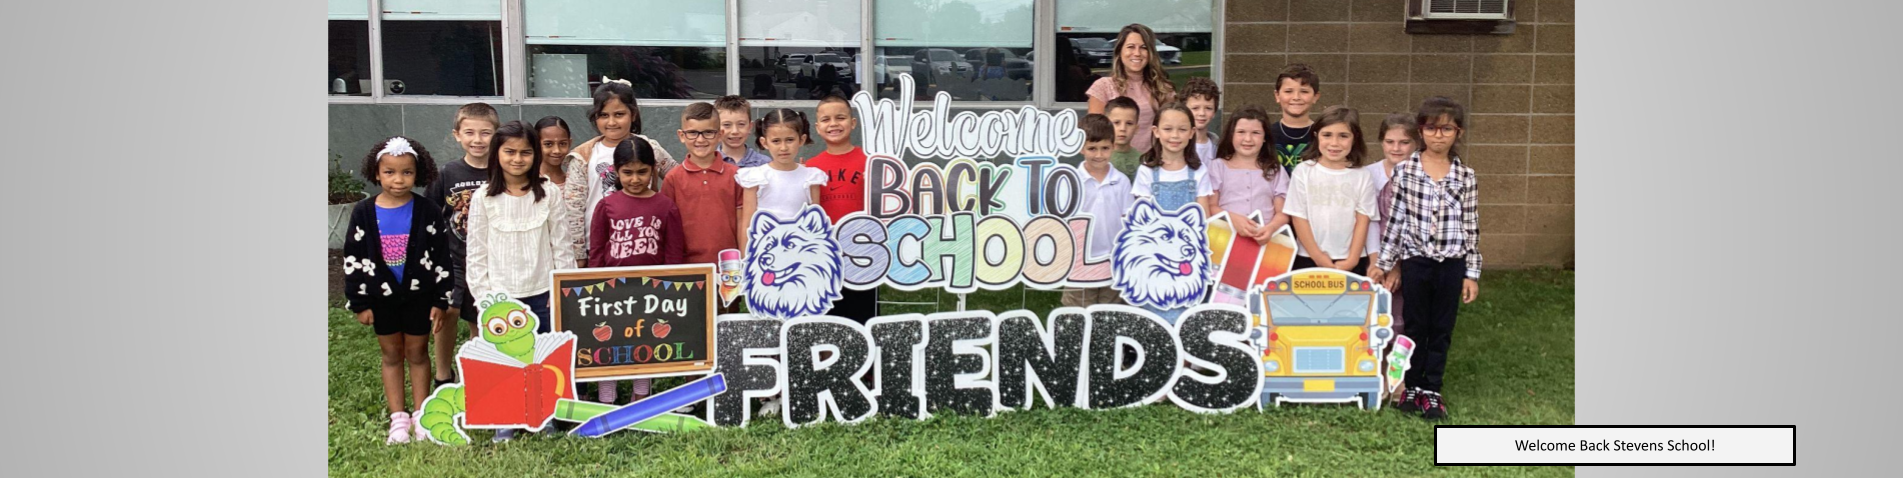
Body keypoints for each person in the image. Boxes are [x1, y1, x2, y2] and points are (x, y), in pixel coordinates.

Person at [1369, 97, 1482, 421]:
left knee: (1441, 327)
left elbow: (1471, 224)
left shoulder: (1465, 176)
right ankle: (1412, 387)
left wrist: (1471, 273)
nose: (1438, 135)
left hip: (1451, 262)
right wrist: (1386, 263)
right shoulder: (1406, 171)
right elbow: (1396, 221)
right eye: (1432, 128)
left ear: (1457, 132)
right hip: (1417, 261)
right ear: (1422, 131)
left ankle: (1432, 390)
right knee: (1415, 326)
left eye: (1446, 128)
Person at [465, 121, 574, 440]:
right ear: (496, 154)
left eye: (525, 152)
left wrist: (560, 288)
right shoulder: (483, 197)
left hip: (542, 293)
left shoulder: (549, 193)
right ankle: (506, 418)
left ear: (535, 154)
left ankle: (545, 416)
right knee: (505, 361)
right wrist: (485, 299)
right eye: (509, 152)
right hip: (501, 298)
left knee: (540, 358)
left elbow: (561, 244)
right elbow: (476, 252)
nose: (517, 159)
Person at [343, 136, 452, 444]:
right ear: (376, 173)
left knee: (417, 353)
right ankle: (398, 419)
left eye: (406, 172)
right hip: (381, 300)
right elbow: (353, 258)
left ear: (418, 174)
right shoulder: (363, 212)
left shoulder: (428, 210)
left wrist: (441, 300)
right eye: (389, 172)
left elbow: (442, 258)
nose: (398, 179)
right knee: (391, 354)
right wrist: (359, 302)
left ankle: (421, 414)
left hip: (420, 297)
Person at [590, 138, 687, 405]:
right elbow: (596, 250)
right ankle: (606, 400)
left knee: (643, 342)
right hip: (612, 290)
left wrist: (669, 288)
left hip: (651, 291)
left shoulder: (665, 206)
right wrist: (596, 285)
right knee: (607, 343)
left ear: (654, 169)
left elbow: (673, 253)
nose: (635, 179)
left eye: (642, 172)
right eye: (627, 172)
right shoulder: (606, 206)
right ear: (616, 171)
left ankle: (641, 396)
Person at [560, 79, 679, 269]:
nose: (612, 122)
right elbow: (573, 209)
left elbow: (677, 178)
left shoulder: (650, 148)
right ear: (595, 118)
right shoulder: (583, 156)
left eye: (619, 114)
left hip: (647, 250)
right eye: (604, 115)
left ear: (633, 114)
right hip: (599, 251)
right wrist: (579, 254)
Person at [422, 102, 498, 389]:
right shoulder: (448, 173)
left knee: (481, 317)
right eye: (470, 133)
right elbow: (430, 213)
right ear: (457, 135)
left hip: (490, 259)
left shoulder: (501, 171)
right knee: (447, 312)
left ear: (497, 134)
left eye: (485, 133)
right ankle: (443, 374)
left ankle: (477, 375)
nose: (477, 140)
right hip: (452, 258)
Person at [1129, 102, 1214, 323]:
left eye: (1182, 129)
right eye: (1168, 129)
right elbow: (1142, 219)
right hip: (1158, 255)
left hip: (1188, 254)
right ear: (1156, 132)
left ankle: (1186, 357)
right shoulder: (1147, 171)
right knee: (1155, 318)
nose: (1174, 135)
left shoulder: (1198, 171)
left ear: (1192, 133)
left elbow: (1202, 216)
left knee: (1187, 317)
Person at [803, 95, 877, 324]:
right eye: (826, 119)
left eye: (840, 118)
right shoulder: (810, 167)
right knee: (827, 316)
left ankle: (868, 357)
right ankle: (827, 357)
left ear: (853, 123)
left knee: (864, 313)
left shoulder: (871, 161)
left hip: (865, 249)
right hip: (826, 251)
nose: (833, 124)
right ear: (817, 127)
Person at [661, 103, 744, 302]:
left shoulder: (737, 175)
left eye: (708, 132)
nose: (700, 139)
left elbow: (743, 223)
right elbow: (667, 230)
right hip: (688, 271)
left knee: (726, 326)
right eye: (693, 133)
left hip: (728, 270)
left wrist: (742, 261)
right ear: (681, 135)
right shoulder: (673, 179)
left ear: (719, 134)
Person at [1283, 106, 1378, 276]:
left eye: (1343, 136)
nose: (1334, 143)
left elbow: (1363, 220)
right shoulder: (1303, 171)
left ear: (1354, 139)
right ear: (1316, 136)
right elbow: (1298, 217)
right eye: (1327, 135)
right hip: (1308, 258)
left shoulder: (1362, 175)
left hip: (1350, 261)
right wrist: (1318, 256)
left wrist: (1353, 259)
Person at [1062, 114, 1130, 308]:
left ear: (1113, 146)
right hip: (1079, 259)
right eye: (1092, 148)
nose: (1099, 155)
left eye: (1105, 148)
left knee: (1109, 314)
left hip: (1112, 259)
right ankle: (1075, 339)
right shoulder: (1071, 180)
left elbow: (1128, 220)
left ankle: (1105, 340)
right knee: (1077, 313)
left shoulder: (1121, 181)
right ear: (1081, 148)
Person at [737, 108, 828, 247]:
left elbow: (815, 223)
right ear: (764, 142)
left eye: (790, 140)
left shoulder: (811, 178)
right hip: (764, 252)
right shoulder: (755, 177)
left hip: (799, 252)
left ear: (801, 139)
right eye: (776, 141)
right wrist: (746, 262)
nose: (783, 147)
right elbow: (747, 225)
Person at [1367, 113, 1420, 346]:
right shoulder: (1368, 174)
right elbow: (1366, 221)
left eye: (1404, 142)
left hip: (1406, 256)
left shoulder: (1421, 176)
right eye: (1390, 142)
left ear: (1416, 144)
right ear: (1381, 142)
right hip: (1371, 253)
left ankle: (1398, 373)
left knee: (1400, 316)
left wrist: (1395, 266)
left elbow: (1411, 224)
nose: (1396, 148)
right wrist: (1377, 261)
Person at [1203, 106, 1290, 244]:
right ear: (1231, 134)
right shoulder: (1217, 167)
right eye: (1241, 132)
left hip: (1265, 242)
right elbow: (1211, 206)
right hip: (1224, 240)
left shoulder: (1275, 170)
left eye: (1256, 133)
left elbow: (1282, 212)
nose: (1248, 139)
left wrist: (1271, 228)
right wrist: (1232, 218)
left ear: (1265, 137)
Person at [1086, 23, 1177, 155]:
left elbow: (1172, 130)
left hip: (1151, 164)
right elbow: (1095, 136)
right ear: (1120, 51)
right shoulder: (1103, 87)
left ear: (1150, 52)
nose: (1137, 53)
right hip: (1113, 166)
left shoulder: (1163, 89)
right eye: (1130, 47)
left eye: (1143, 48)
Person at [1270, 64, 1322, 175]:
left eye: (1304, 91)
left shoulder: (1323, 135)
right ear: (1277, 95)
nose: (1296, 97)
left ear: (1315, 97)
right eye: (1288, 91)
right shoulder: (1266, 134)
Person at [713, 95, 772, 168]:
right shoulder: (708, 163)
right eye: (727, 125)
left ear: (750, 127)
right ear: (716, 127)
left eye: (741, 124)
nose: (735, 131)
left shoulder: (764, 164)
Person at [1182, 77, 1222, 162]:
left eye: (1208, 108)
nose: (1202, 113)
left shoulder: (1219, 148)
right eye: (1195, 108)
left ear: (1214, 112)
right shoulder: (1175, 144)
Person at [1105, 96, 1145, 178]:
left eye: (1129, 123)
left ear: (1136, 129)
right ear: (1106, 125)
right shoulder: (1099, 157)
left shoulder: (1141, 161)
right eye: (1116, 122)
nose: (1123, 128)